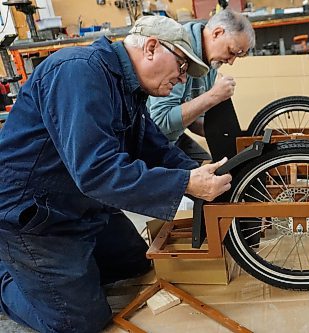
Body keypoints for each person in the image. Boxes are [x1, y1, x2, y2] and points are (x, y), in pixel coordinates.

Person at [0, 16, 232, 333]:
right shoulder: (78, 71)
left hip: (76, 202)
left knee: (134, 263)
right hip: (32, 216)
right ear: (151, 47)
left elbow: (154, 148)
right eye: (180, 67)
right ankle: (7, 272)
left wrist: (197, 172)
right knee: (78, 322)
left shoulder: (127, 88)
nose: (181, 80)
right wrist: (185, 183)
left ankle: (50, 272)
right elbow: (96, 171)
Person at [148, 9, 255, 164]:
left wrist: (232, 139)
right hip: (150, 143)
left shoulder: (211, 61)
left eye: (238, 56)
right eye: (231, 52)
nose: (231, 61)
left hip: (175, 138)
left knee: (221, 170)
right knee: (206, 182)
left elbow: (192, 119)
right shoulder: (179, 52)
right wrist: (213, 96)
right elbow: (161, 121)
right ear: (217, 33)